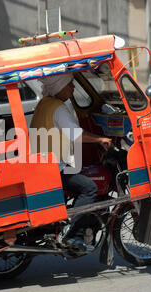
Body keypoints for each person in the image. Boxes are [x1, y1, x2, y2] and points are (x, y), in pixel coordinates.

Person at [29, 73, 113, 249]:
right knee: (90, 188)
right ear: (59, 87)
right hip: (54, 169)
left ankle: (72, 223)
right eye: (69, 85)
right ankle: (74, 234)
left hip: (42, 166)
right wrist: (100, 140)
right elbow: (75, 134)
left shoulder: (44, 104)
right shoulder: (57, 107)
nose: (73, 88)